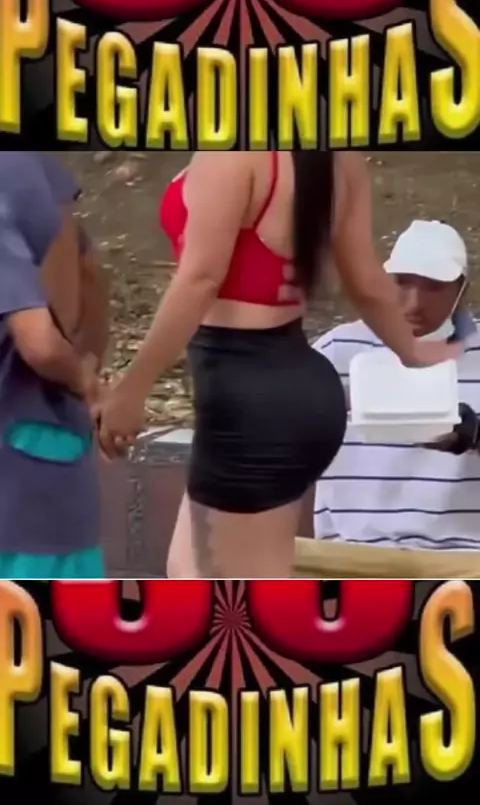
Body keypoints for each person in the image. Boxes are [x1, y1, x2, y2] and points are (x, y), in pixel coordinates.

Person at [96, 153, 461, 579]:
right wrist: (411, 351)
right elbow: (365, 281)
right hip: (283, 390)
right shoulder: (339, 161)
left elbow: (200, 279)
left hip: (250, 402)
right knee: (188, 571)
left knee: (239, 599)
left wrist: (133, 389)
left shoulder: (234, 156)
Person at [311, 220, 480, 578]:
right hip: (349, 554)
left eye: (434, 287)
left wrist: (475, 435)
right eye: (402, 282)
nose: (414, 303)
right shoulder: (338, 351)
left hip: (463, 558)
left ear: (461, 290)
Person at [0, 152, 109, 578]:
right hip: (48, 464)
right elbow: (88, 274)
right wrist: (87, 378)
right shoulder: (38, 169)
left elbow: (40, 343)